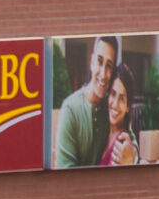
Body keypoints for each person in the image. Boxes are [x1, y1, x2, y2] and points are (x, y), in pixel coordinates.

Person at [49, 36, 121, 169]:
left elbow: (128, 132)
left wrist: (132, 149)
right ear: (92, 62)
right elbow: (65, 172)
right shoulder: (70, 109)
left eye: (109, 66)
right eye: (99, 62)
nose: (103, 74)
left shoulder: (111, 109)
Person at [103, 71, 140, 165]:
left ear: (128, 107)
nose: (115, 104)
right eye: (113, 93)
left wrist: (133, 156)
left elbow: (133, 152)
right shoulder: (100, 130)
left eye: (122, 98)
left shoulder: (122, 144)